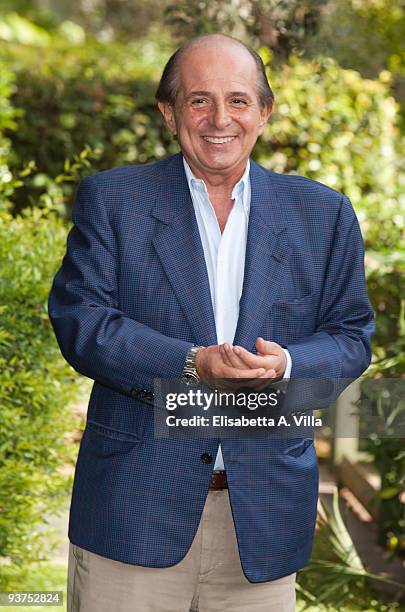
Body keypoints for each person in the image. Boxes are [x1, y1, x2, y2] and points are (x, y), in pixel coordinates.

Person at [48, 33, 374, 612]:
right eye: (199, 100)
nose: (220, 118)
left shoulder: (323, 214)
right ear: (169, 113)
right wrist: (191, 362)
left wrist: (290, 366)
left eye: (239, 100)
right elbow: (83, 320)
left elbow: (351, 335)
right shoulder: (114, 200)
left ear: (264, 112)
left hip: (264, 523)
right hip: (133, 515)